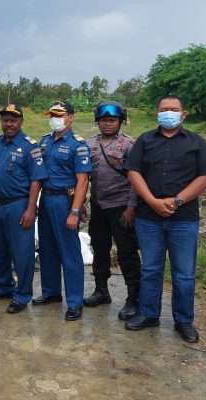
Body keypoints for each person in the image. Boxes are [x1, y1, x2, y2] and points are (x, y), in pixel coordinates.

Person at [124, 96, 206, 343]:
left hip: (183, 218)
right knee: (151, 269)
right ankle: (148, 314)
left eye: (173, 110)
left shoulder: (196, 142)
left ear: (183, 114)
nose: (168, 113)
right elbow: (133, 172)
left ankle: (184, 321)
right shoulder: (145, 140)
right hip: (148, 217)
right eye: (164, 109)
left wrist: (176, 201)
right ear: (157, 113)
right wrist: (153, 201)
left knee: (184, 273)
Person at [0, 103, 47, 313]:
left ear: (20, 122)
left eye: (13, 120)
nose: (9, 124)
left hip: (18, 206)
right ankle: (4, 286)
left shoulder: (30, 147)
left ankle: (22, 295)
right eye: (5, 120)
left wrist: (31, 209)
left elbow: (36, 180)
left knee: (22, 252)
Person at [34, 101, 92, 321]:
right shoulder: (45, 142)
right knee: (47, 250)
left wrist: (75, 211)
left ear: (71, 118)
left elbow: (83, 180)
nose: (55, 118)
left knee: (70, 252)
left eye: (60, 114)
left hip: (64, 202)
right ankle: (51, 292)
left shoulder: (78, 145)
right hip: (46, 199)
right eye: (52, 115)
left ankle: (75, 301)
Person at [84, 101, 141, 320]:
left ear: (120, 121)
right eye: (103, 120)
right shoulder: (90, 144)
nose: (107, 124)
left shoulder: (128, 145)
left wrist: (131, 207)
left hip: (121, 208)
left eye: (112, 120)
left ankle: (133, 299)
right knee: (99, 249)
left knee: (127, 253)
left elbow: (136, 179)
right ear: (97, 122)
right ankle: (101, 291)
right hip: (98, 206)